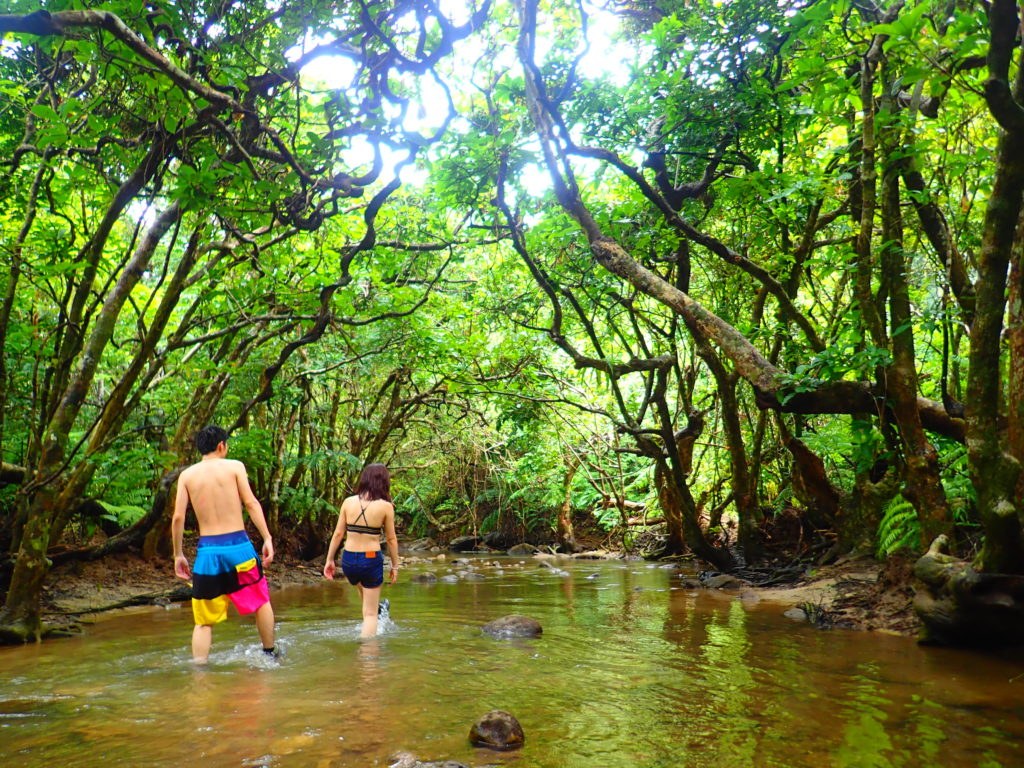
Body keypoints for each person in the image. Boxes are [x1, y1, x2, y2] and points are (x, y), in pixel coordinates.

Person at [171, 425, 276, 663]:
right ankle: (269, 654)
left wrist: (178, 554)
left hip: (208, 553)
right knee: (261, 602)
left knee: (203, 621)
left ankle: (200, 670)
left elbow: (178, 517)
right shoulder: (235, 467)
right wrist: (267, 537)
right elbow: (251, 503)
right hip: (239, 548)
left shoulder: (187, 476)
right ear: (221, 446)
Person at [323, 463, 400, 637]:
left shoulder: (348, 502)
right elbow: (391, 539)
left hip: (348, 559)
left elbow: (338, 534)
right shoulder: (386, 506)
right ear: (384, 482)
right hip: (371, 559)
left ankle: (379, 609)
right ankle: (367, 657)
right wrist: (395, 566)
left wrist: (329, 560)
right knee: (370, 615)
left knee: (367, 599)